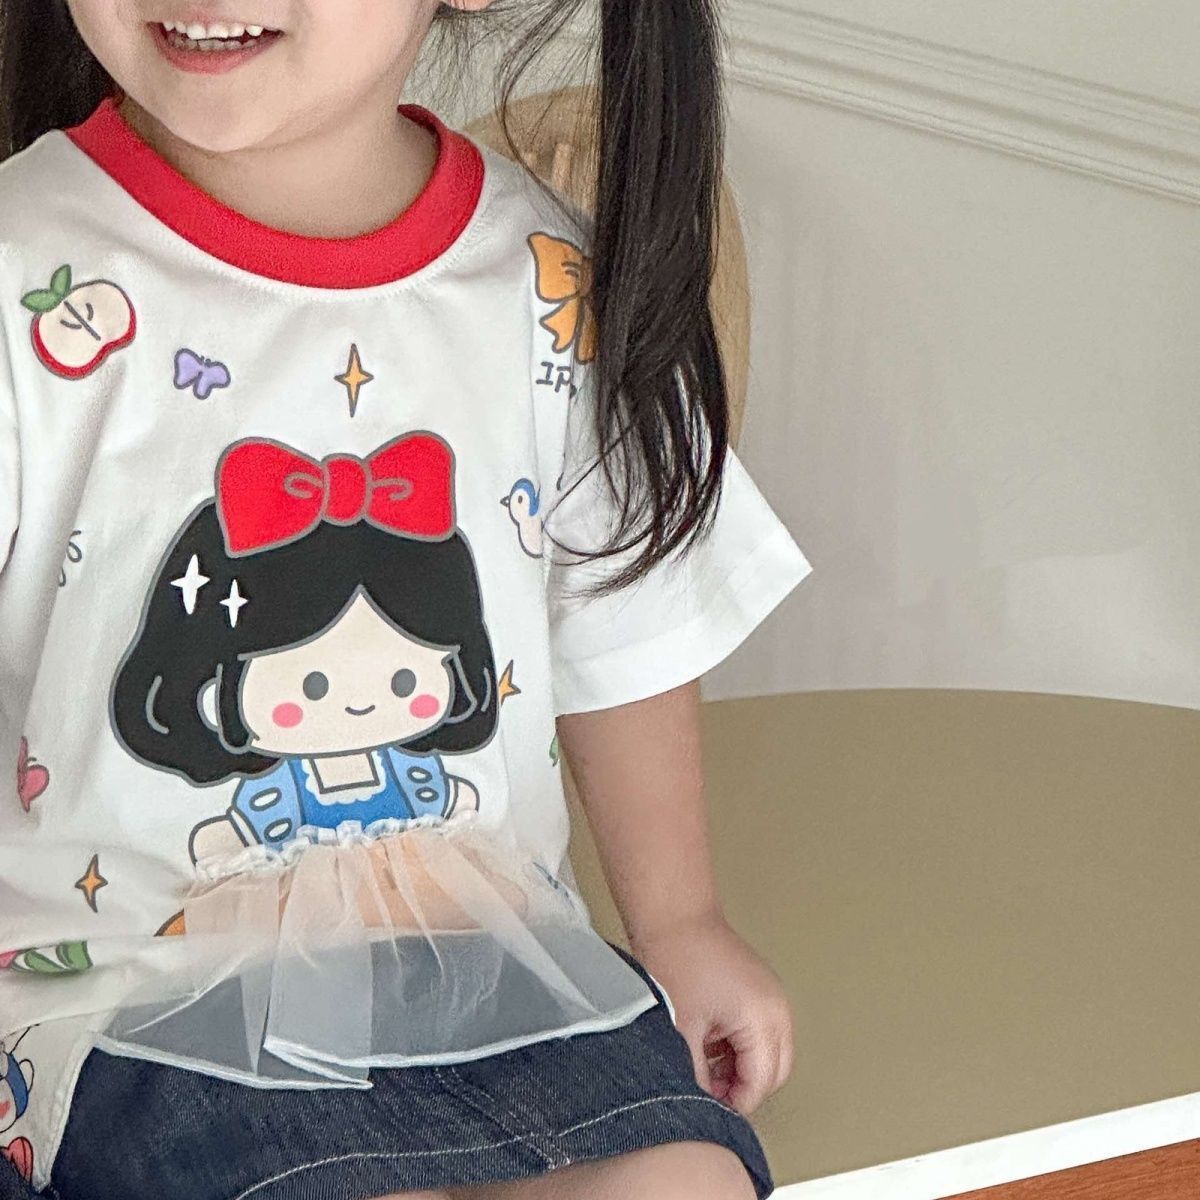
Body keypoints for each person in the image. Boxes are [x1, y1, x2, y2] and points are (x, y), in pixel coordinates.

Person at [0, 2, 814, 1198]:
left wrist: (682, 923)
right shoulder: (27, 274)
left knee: (689, 1183)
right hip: (138, 999)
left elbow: (624, 631)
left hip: (496, 973)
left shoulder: (550, 283)